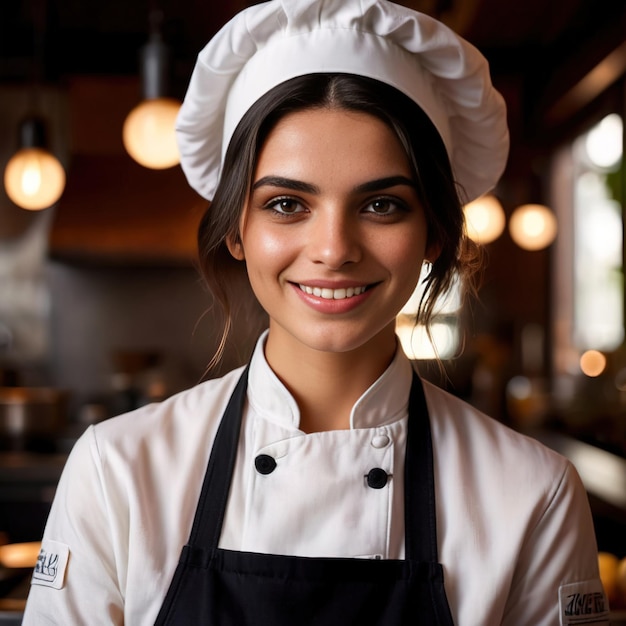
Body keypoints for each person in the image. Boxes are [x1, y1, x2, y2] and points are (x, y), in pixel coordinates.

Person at [23, 1, 608, 624]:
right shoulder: (117, 470)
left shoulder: (532, 494)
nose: (333, 250)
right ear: (237, 231)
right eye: (285, 204)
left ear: (434, 232)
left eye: (382, 205)